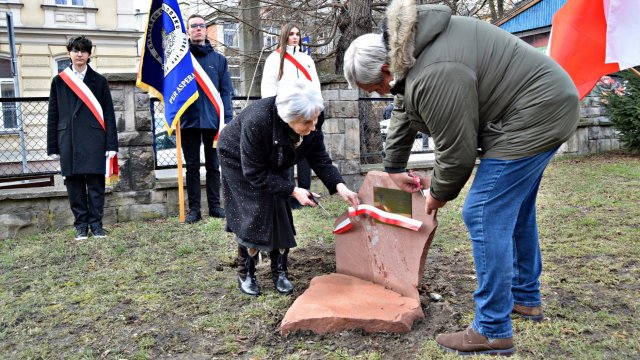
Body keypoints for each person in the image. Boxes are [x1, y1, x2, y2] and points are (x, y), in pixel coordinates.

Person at [343, 1, 579, 356]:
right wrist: (393, 171)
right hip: (546, 105)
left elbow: (457, 152)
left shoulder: (435, 70)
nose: (379, 96)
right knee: (513, 211)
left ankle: (492, 328)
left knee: (482, 213)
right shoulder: (414, 55)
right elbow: (406, 112)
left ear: (386, 68)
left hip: (534, 114)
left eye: (375, 88)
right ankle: (525, 297)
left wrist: (436, 195)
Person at [218, 79, 359, 296]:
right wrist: (294, 190)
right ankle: (246, 271)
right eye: (307, 123)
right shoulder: (259, 121)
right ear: (289, 118)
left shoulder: (312, 115)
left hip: (278, 155)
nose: (313, 128)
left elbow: (318, 156)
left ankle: (280, 270)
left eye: (315, 121)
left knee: (280, 208)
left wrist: (340, 186)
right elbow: (254, 173)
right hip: (239, 159)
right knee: (255, 208)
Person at [47, 36, 118, 240]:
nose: (79, 54)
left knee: (96, 186)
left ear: (89, 54)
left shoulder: (100, 81)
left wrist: (111, 143)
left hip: (95, 139)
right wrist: (52, 146)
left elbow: (109, 114)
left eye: (83, 51)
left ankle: (96, 225)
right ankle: (81, 226)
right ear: (69, 53)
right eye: (75, 50)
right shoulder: (59, 81)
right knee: (74, 186)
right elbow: (53, 115)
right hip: (68, 140)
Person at [261, 23, 321, 210]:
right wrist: (274, 113)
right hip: (284, 113)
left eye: (297, 34)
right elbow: (269, 88)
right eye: (291, 34)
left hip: (306, 112)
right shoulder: (274, 59)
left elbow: (315, 85)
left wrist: (316, 110)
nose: (295, 37)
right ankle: (290, 193)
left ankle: (306, 194)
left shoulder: (306, 59)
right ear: (284, 36)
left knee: (304, 154)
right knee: (286, 155)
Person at [181, 14, 234, 223]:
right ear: (187, 30)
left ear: (206, 29)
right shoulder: (181, 60)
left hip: (214, 122)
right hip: (188, 121)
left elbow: (225, 92)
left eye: (202, 26)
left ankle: (215, 206)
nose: (198, 29)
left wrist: (227, 120)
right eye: (194, 26)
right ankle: (194, 209)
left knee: (214, 165)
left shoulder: (219, 60)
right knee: (192, 167)